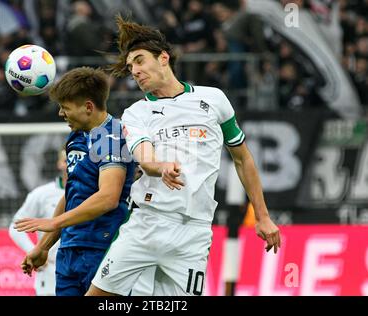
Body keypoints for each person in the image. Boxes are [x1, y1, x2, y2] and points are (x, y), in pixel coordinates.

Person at [84, 15, 281, 296]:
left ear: (163, 58)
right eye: (130, 67)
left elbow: (243, 158)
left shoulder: (214, 100)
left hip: (194, 232)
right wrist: (159, 166)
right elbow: (145, 157)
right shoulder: (136, 112)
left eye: (139, 61)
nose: (135, 71)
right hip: (147, 224)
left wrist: (262, 216)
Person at [14, 67, 136, 296]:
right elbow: (72, 193)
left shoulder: (111, 136)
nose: (61, 113)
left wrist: (55, 222)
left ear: (88, 107)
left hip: (102, 246)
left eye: (65, 107)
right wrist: (43, 247)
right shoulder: (76, 137)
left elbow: (108, 198)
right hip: (69, 250)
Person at [8, 149, 67, 296]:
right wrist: (34, 251)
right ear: (59, 164)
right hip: (50, 271)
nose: (71, 164)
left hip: (83, 267)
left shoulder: (94, 194)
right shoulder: (42, 194)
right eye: (66, 160)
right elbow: (15, 226)